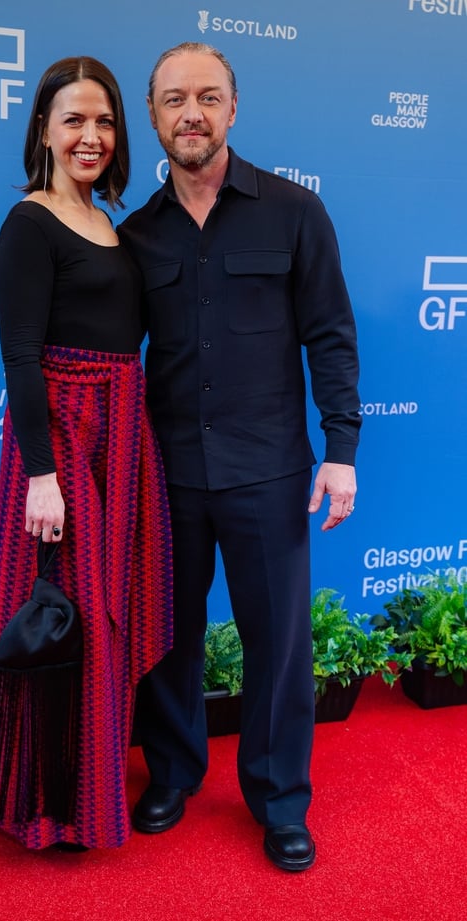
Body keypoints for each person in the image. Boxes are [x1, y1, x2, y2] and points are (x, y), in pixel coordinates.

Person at [118, 42, 361, 872]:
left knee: (280, 644)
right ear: (152, 116)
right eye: (175, 99)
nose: (193, 113)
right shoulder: (136, 237)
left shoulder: (295, 212)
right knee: (168, 639)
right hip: (168, 474)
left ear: (233, 108)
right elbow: (111, 359)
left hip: (270, 471)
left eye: (209, 97)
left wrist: (342, 450)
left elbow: (331, 333)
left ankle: (278, 797)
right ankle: (174, 774)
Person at [0, 56, 172, 851]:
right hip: (63, 437)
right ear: (43, 128)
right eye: (74, 119)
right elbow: (19, 357)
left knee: (104, 617)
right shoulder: (29, 223)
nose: (91, 135)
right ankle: (42, 805)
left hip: (121, 432)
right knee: (62, 614)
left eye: (105, 121)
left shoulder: (110, 222)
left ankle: (89, 790)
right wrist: (43, 474)